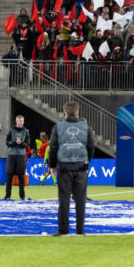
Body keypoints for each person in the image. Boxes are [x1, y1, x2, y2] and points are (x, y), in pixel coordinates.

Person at [47, 101, 95, 236]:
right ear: (78, 112)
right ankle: (80, 231)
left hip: (64, 167)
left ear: (65, 112)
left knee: (64, 200)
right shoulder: (85, 126)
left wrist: (52, 165)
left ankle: (63, 230)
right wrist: (87, 161)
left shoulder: (58, 126)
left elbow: (53, 147)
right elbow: (91, 146)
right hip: (81, 167)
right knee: (80, 200)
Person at [4, 115, 30, 200]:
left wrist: (21, 143)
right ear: (16, 121)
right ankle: (7, 196)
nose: (21, 122)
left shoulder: (26, 131)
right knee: (9, 176)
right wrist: (14, 143)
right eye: (19, 121)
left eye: (22, 121)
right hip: (11, 155)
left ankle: (22, 196)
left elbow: (27, 144)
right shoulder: (11, 130)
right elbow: (7, 142)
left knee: (21, 176)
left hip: (21, 156)